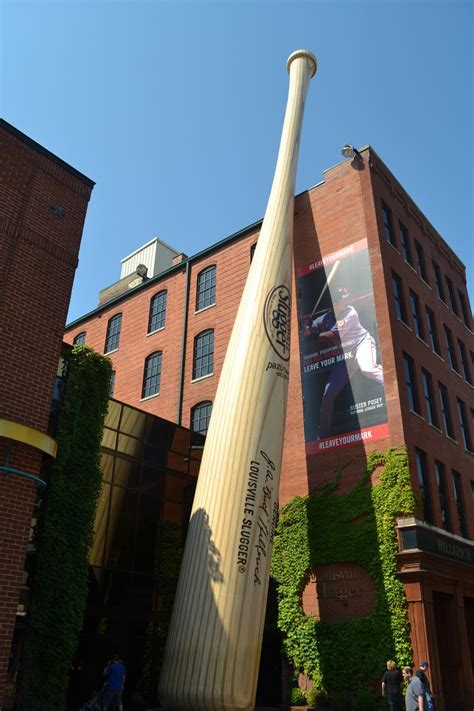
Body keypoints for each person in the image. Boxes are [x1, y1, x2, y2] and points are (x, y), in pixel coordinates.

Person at [306, 287, 384, 438]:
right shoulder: (327, 317)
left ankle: (393, 385)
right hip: (346, 356)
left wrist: (313, 335)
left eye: (347, 297)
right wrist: (308, 328)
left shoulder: (350, 312)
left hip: (362, 344)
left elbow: (329, 336)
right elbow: (313, 326)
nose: (346, 300)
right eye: (343, 298)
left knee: (367, 369)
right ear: (335, 302)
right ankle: (323, 433)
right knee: (328, 395)